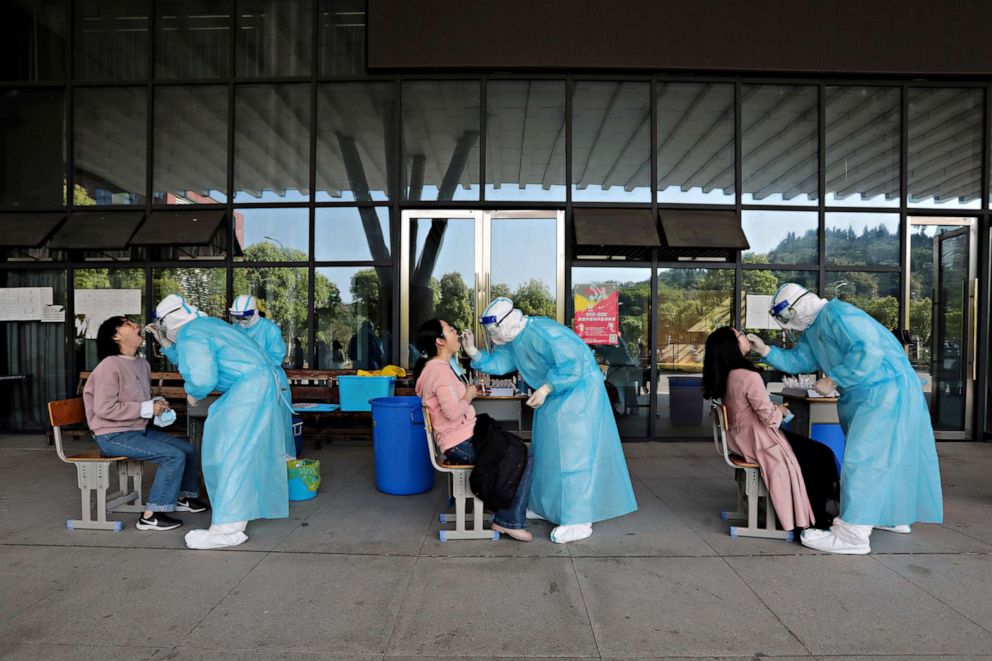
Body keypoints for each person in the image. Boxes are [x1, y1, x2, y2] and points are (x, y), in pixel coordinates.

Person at [747, 283, 943, 554]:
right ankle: (890, 515)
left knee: (864, 458)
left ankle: (853, 535)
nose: (787, 323)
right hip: (875, 394)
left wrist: (834, 378)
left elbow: (868, 350)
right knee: (891, 457)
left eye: (786, 315)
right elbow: (801, 360)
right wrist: (766, 351)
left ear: (800, 306)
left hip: (882, 392)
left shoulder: (839, 315)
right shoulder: (814, 329)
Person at [461, 297, 638, 544]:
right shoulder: (513, 339)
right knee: (546, 454)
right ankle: (546, 506)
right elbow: (503, 362)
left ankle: (578, 518)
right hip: (551, 397)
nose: (494, 337)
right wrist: (474, 353)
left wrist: (546, 387)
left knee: (573, 457)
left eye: (495, 330)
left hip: (578, 397)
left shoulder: (545, 331)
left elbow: (573, 364)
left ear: (509, 322)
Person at [145, 294, 289, 550]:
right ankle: (233, 520)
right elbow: (196, 356)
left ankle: (227, 529)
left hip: (249, 389)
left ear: (168, 321)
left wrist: (193, 391)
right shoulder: (206, 325)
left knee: (230, 454)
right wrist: (167, 344)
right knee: (241, 452)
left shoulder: (191, 334)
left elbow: (201, 376)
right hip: (256, 386)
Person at [703, 326, 837, 532]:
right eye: (740, 335)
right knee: (820, 455)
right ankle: (818, 518)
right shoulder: (748, 376)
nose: (746, 336)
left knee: (813, 453)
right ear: (732, 345)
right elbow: (769, 417)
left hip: (741, 439)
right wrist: (780, 412)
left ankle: (818, 511)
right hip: (760, 441)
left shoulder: (727, 375)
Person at [83, 315, 208, 532]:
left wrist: (156, 403)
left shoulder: (142, 364)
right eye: (126, 324)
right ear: (116, 336)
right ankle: (152, 515)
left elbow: (140, 400)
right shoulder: (109, 366)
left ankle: (185, 497)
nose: (135, 325)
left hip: (137, 430)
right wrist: (147, 408)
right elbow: (104, 409)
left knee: (185, 449)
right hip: (112, 436)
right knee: (172, 455)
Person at [414, 318, 534, 541]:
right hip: (459, 444)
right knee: (523, 453)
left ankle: (502, 509)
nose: (456, 332)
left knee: (515, 445)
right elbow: (452, 413)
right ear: (440, 341)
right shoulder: (439, 371)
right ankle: (508, 520)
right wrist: (469, 394)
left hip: (462, 436)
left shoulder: (438, 368)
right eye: (451, 329)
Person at [229, 295, 295, 458]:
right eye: (236, 316)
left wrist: (251, 363)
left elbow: (276, 357)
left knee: (276, 428)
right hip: (244, 385)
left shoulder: (270, 330)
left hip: (271, 383)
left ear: (255, 312)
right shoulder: (235, 329)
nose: (240, 320)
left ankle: (281, 469)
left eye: (244, 315)